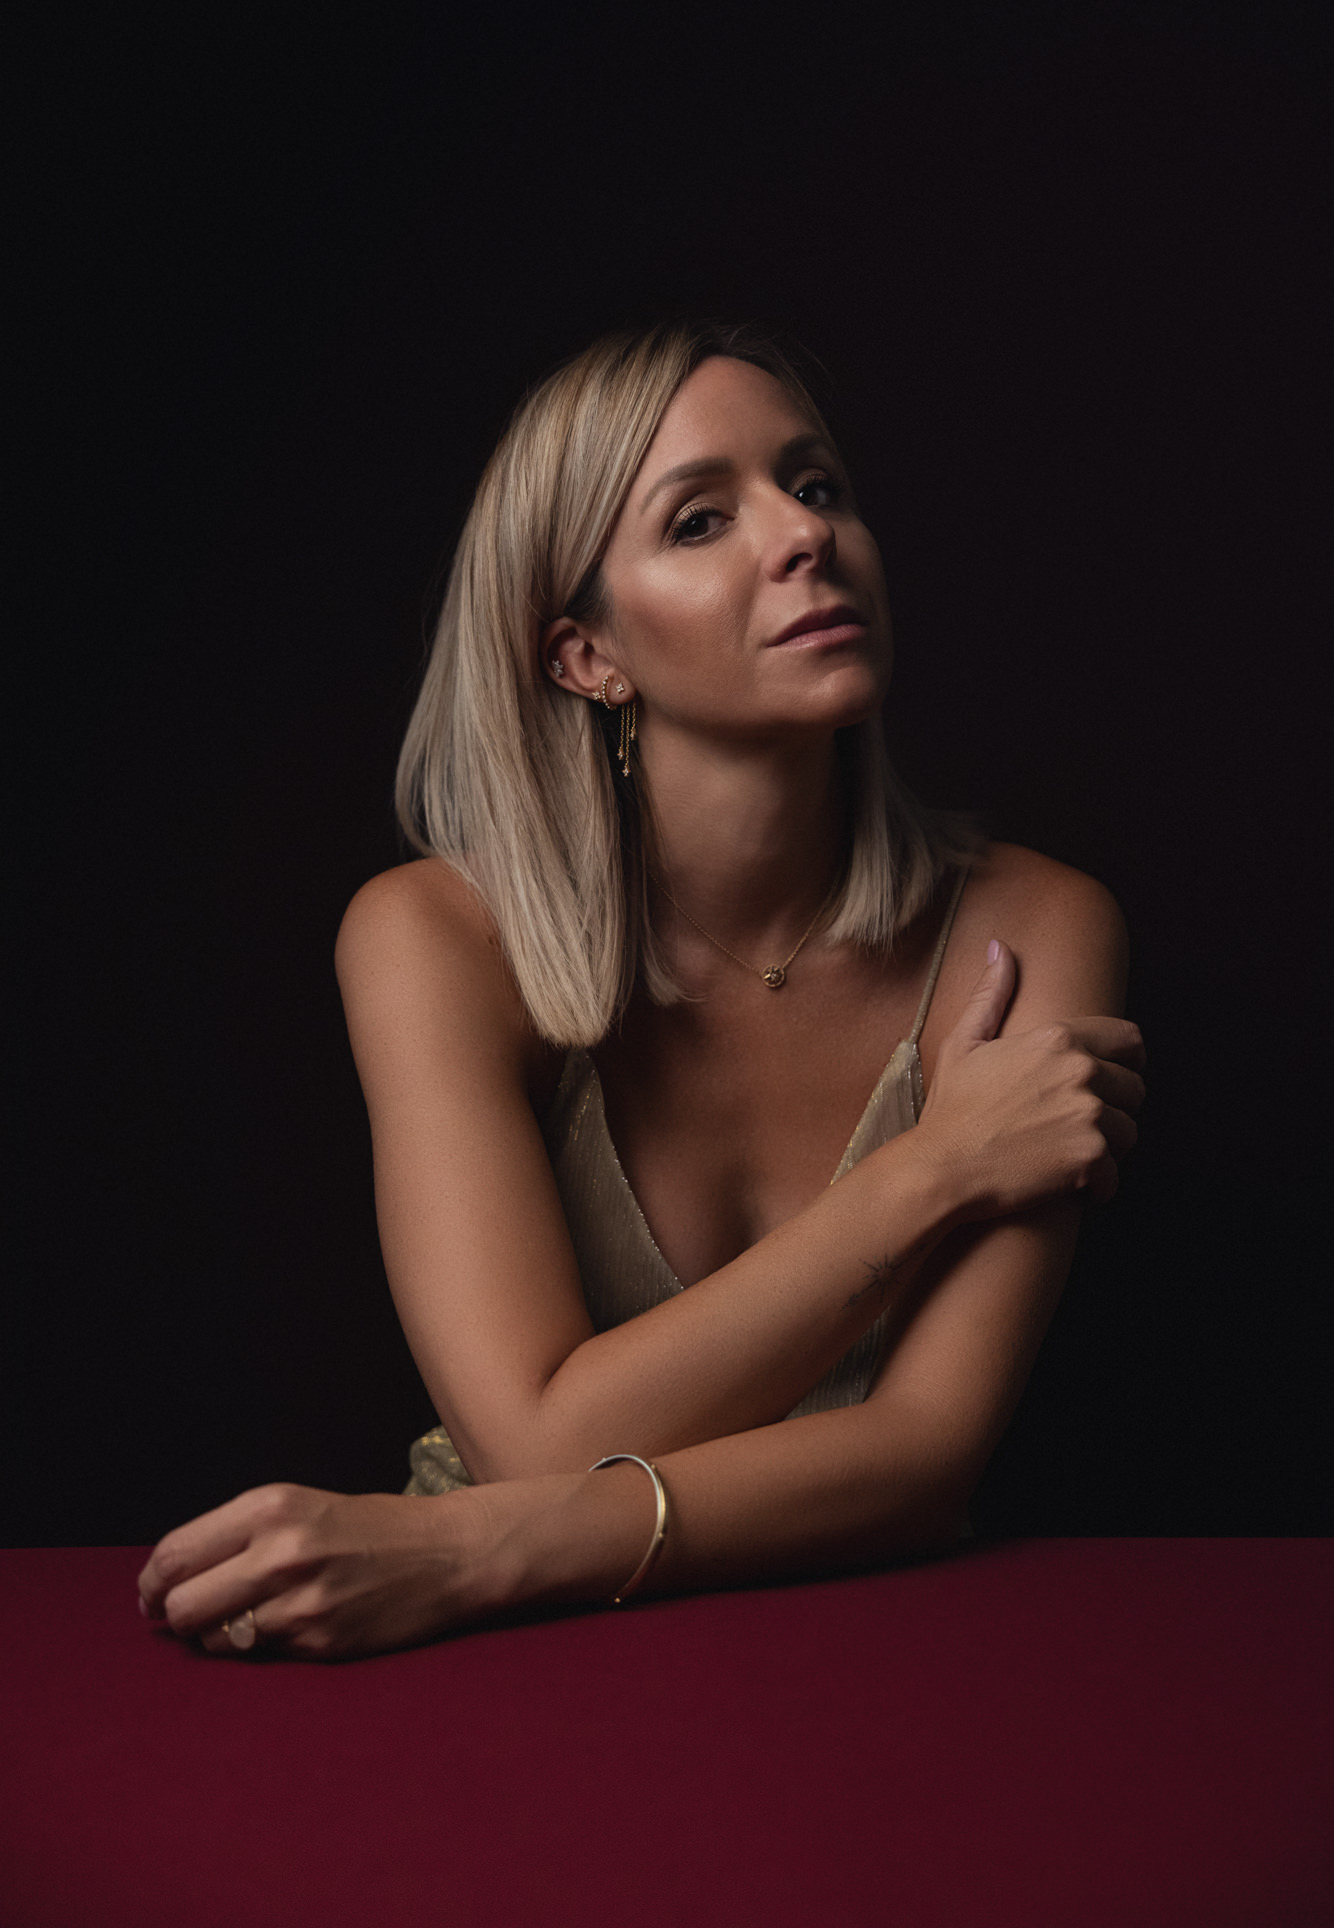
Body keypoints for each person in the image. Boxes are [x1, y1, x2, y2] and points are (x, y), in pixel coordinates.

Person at [138, 319, 1145, 1658]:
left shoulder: (1034, 928)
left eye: (816, 484)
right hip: (500, 1640)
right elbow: (532, 1440)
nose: (804, 534)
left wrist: (482, 1542)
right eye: (698, 521)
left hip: (866, 1645)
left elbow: (924, 1455)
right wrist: (937, 1169)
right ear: (583, 657)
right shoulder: (434, 938)